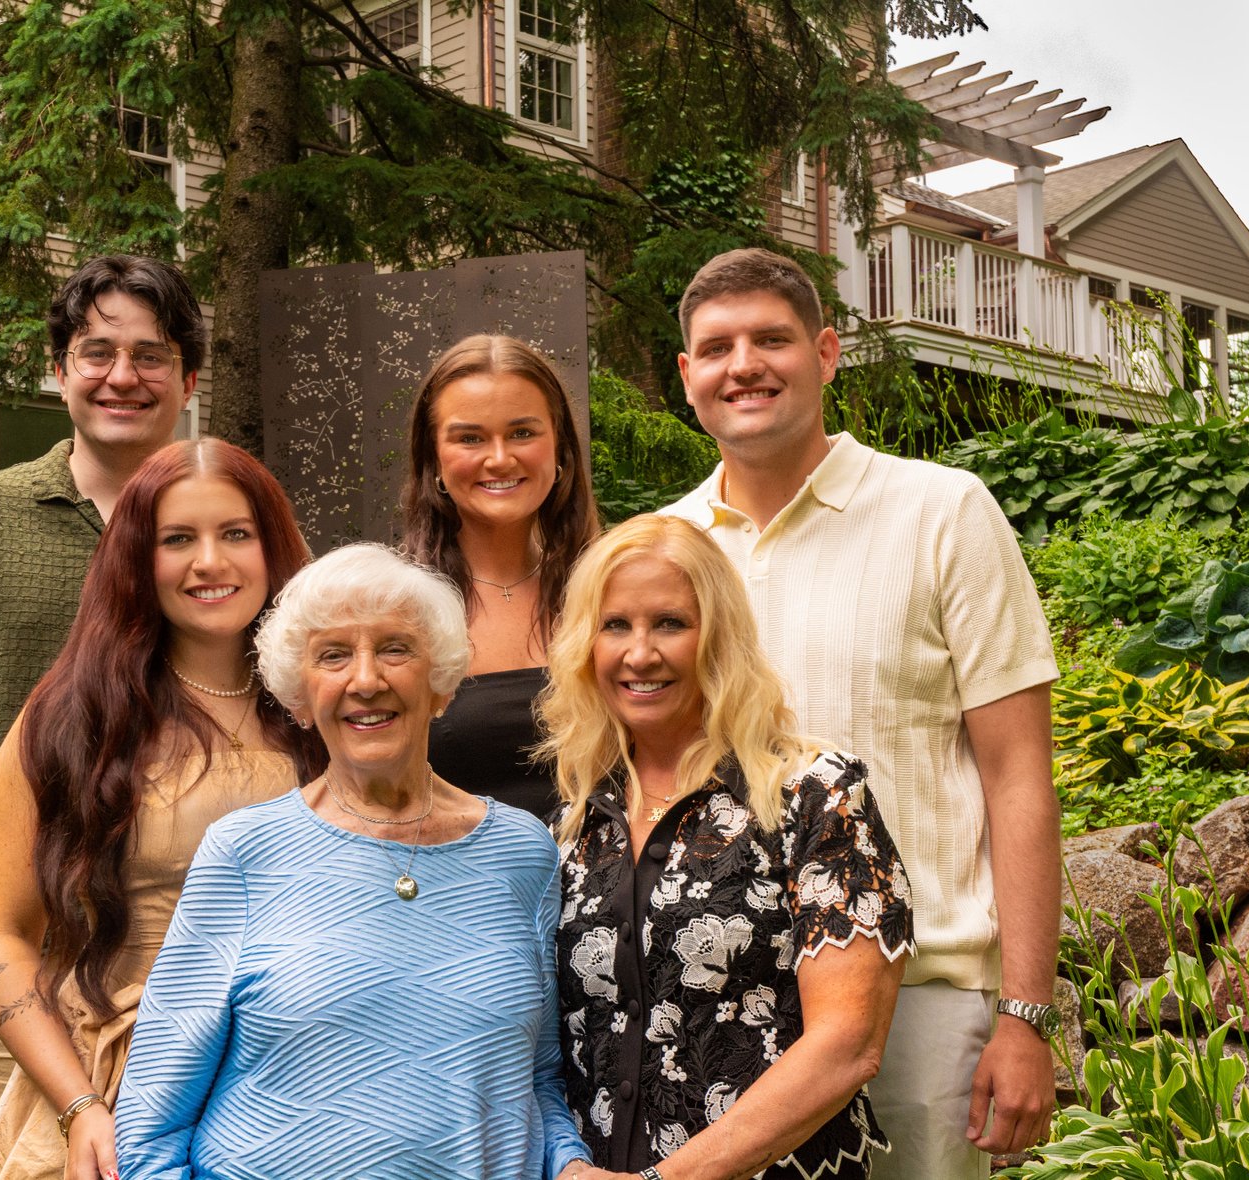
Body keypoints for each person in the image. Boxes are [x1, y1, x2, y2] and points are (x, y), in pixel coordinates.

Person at [661, 247, 1061, 1178]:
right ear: (687, 375)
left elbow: (1017, 775)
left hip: (921, 997)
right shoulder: (667, 548)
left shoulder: (942, 513)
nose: (743, 366)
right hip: (725, 1002)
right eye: (716, 348)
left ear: (827, 353)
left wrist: (1025, 1015)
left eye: (772, 339)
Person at [0, 254, 208, 1170]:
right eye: (97, 352)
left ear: (188, 380)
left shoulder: (227, 528)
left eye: (150, 355)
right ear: (58, 370)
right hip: (12, 956)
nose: (122, 376)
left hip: (196, 957)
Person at [114, 544, 591, 1180]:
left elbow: (537, 1080)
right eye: (333, 655)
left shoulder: (522, 851)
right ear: (300, 697)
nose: (366, 680)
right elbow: (151, 1121)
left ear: (442, 683)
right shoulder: (244, 851)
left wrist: (570, 1165)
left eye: (395, 649)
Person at [0, 440, 321, 1180]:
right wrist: (79, 1106)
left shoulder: (327, 705)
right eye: (176, 539)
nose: (210, 563)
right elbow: (0, 937)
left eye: (236, 533)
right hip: (122, 1085)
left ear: (272, 546)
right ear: (134, 558)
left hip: (305, 1085)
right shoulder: (72, 719)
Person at [538, 515, 912, 1180]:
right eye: (615, 625)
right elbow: (549, 1050)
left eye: (670, 624)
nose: (640, 654)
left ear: (719, 636)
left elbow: (848, 1044)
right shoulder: (572, 828)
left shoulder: (814, 795)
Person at [404, 334, 599, 816]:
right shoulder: (396, 606)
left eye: (522, 433)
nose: (499, 458)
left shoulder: (609, 590)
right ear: (434, 460)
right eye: (470, 438)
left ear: (560, 449)